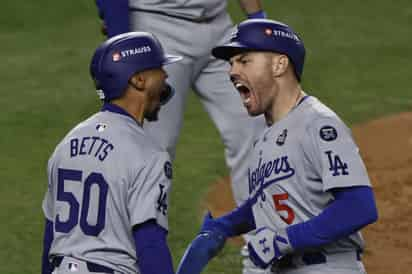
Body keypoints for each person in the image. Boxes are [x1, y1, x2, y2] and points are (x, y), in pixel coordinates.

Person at [175, 19, 379, 274]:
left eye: (244, 60)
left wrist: (283, 240)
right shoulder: (264, 139)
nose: (231, 71)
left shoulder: (317, 123)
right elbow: (270, 201)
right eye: (231, 63)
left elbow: (359, 207)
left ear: (280, 64)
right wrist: (225, 226)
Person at [94, 1, 268, 273]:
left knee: (256, 133)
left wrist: (257, 18)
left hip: (220, 27)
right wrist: (121, 38)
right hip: (157, 30)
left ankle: (265, 254)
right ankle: (123, 262)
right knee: (149, 154)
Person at [41, 31, 183, 274]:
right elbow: (150, 243)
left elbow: (50, 235)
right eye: (159, 68)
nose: (166, 75)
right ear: (139, 80)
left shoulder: (66, 144)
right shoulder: (149, 154)